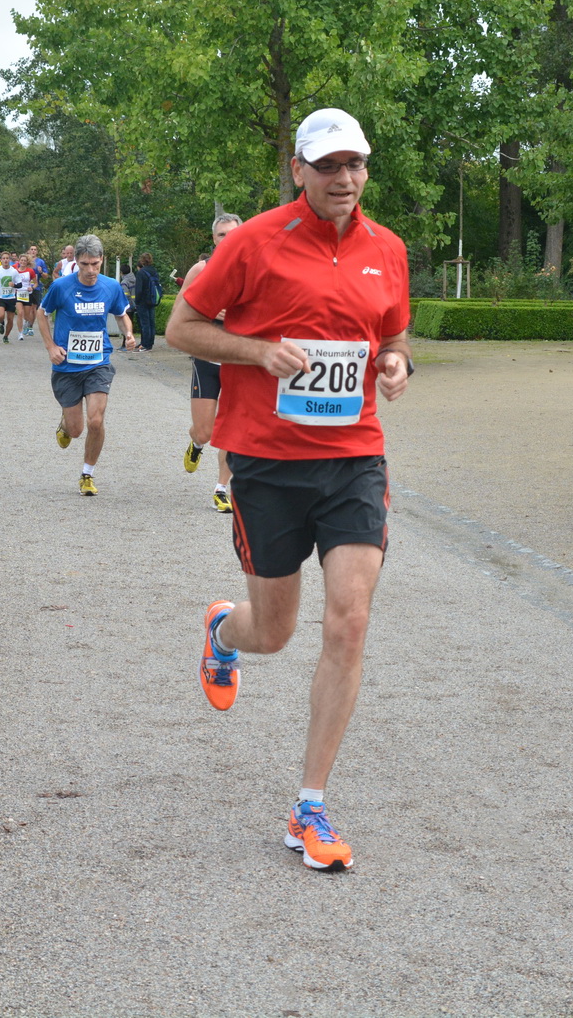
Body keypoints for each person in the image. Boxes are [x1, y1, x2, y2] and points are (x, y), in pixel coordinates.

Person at [166, 107, 412, 872]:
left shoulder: (388, 250)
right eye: (329, 165)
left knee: (350, 621)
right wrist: (258, 352)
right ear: (299, 171)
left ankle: (310, 803)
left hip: (353, 461)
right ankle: (222, 631)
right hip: (267, 463)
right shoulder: (252, 242)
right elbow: (182, 325)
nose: (345, 179)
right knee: (274, 631)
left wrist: (398, 365)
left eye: (356, 165)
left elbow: (394, 335)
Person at [38, 234, 133, 496]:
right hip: (67, 367)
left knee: (95, 420)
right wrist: (51, 347)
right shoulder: (61, 287)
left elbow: (122, 315)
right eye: (84, 265)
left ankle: (87, 474)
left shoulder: (111, 286)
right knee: (77, 430)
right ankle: (66, 424)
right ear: (76, 262)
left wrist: (128, 334)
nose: (90, 270)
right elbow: (41, 314)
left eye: (95, 264)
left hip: (98, 362)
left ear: (101, 260)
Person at [182, 213, 242, 512]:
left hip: (238, 362)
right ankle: (196, 444)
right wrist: (208, 312)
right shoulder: (201, 270)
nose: (227, 240)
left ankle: (221, 488)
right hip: (206, 360)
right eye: (222, 235)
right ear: (214, 239)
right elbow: (181, 312)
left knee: (232, 430)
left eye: (233, 234)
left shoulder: (254, 269)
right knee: (205, 431)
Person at [130, 252, 162, 351]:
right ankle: (149, 343)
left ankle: (145, 345)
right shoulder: (154, 271)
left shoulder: (141, 272)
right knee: (151, 322)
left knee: (144, 323)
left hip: (143, 301)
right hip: (152, 299)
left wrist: (137, 301)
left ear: (142, 260)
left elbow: (139, 289)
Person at [0, 255, 21, 342]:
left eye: (7, 258)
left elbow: (20, 284)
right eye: (4, 258)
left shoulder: (14, 271)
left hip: (11, 298)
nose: (5, 260)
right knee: (1, 315)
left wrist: (14, 285)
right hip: (0, 297)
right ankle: (1, 322)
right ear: (1, 260)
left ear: (9, 260)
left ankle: (6, 336)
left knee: (10, 319)